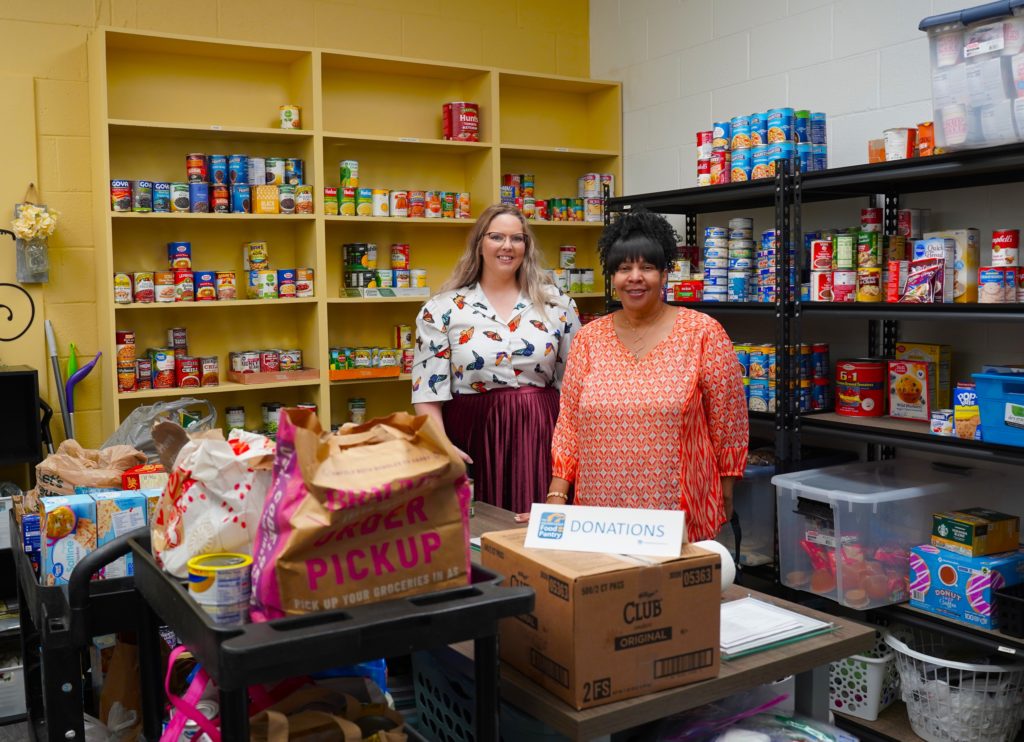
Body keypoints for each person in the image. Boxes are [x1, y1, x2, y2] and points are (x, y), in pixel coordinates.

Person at [542, 210, 748, 543]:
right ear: (612, 276)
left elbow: (729, 423)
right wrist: (556, 495)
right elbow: (569, 424)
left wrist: (725, 491)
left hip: (677, 517)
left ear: (665, 274)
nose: (635, 277)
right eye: (624, 268)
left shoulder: (702, 333)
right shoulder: (589, 339)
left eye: (647, 268)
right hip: (599, 516)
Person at [412, 203, 581, 512]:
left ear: (526, 247)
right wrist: (443, 446)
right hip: (471, 435)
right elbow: (427, 392)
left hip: (540, 433)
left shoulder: (557, 305)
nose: (507, 246)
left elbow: (574, 386)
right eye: (496, 237)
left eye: (517, 238)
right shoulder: (443, 309)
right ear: (479, 244)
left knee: (538, 529)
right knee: (479, 531)